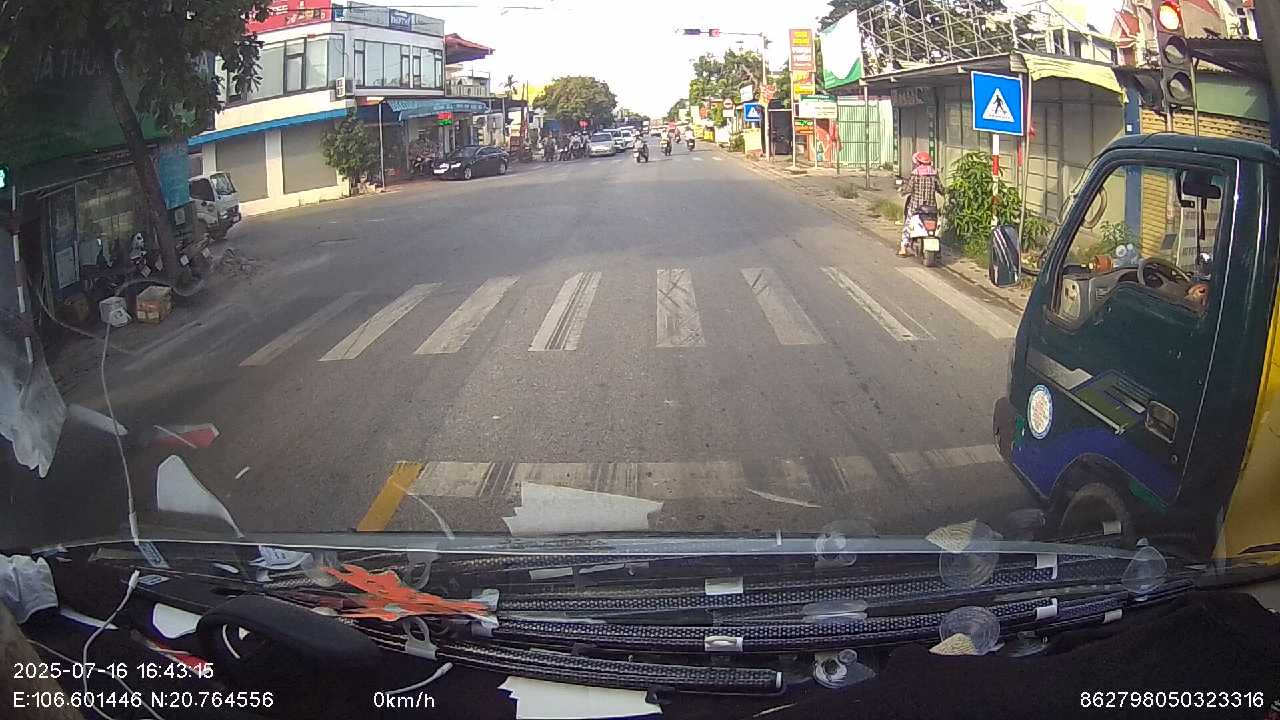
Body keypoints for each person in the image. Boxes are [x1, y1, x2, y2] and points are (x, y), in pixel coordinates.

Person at [899, 151, 945, 257]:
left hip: (916, 207)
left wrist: (902, 192)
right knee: (936, 226)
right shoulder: (934, 174)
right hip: (931, 207)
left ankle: (903, 247)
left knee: (907, 224)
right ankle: (938, 250)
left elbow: (909, 189)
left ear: (918, 162)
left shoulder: (915, 174)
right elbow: (941, 189)